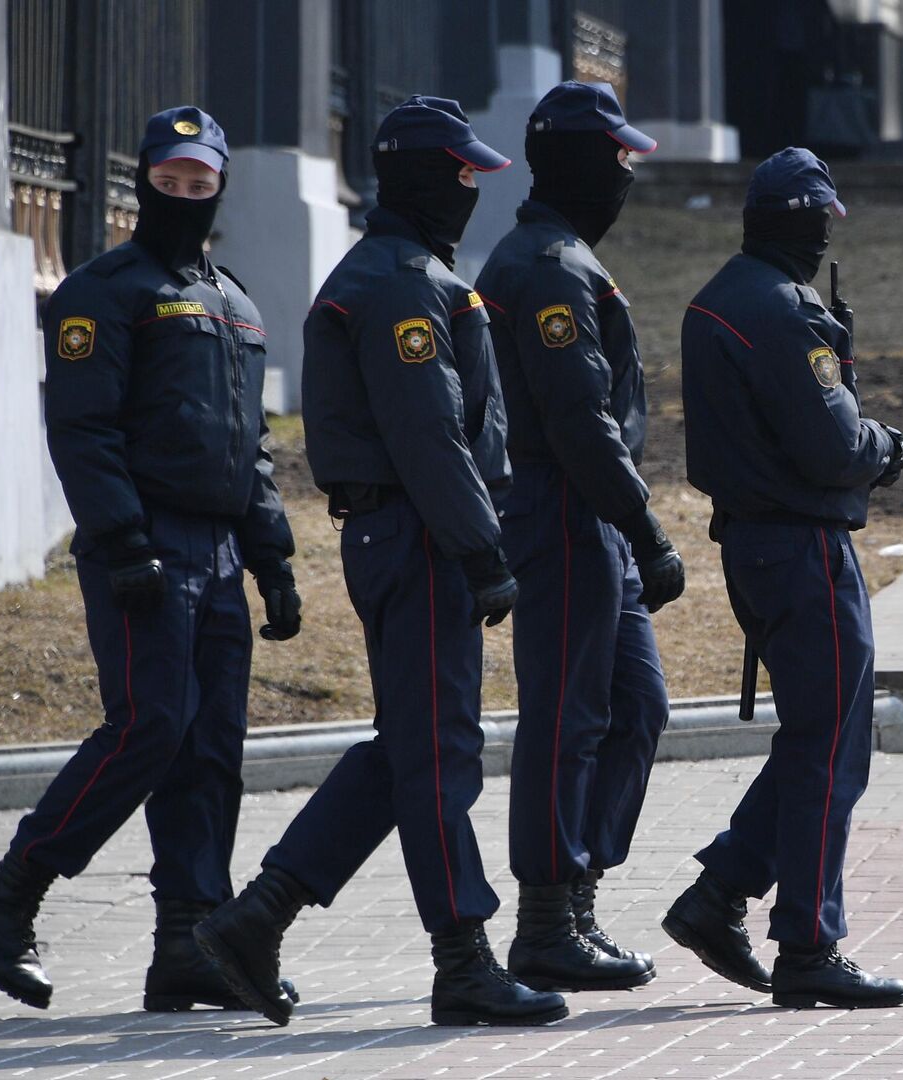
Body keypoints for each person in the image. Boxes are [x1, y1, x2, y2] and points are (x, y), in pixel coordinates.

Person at [191, 95, 564, 1028]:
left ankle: (258, 916)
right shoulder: (402, 283)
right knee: (438, 755)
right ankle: (463, 960)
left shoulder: (413, 272)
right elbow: (431, 437)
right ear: (428, 178)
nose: (474, 189)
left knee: (409, 748)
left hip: (409, 531)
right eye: (464, 173)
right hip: (422, 535)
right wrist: (483, 552)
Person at [0, 106, 303, 1014]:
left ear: (219, 186)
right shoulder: (104, 291)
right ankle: (6, 896)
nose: (182, 194)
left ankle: (190, 942)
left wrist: (274, 558)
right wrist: (124, 540)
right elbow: (84, 430)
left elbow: (250, 447)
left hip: (220, 550)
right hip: (146, 546)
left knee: (212, 746)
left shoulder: (237, 302)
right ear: (141, 181)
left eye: (200, 181)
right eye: (169, 179)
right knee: (150, 725)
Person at [667, 147, 903, 1009]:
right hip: (805, 548)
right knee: (831, 751)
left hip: (755, 544)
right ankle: (809, 942)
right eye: (820, 221)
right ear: (807, 221)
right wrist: (887, 444)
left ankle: (719, 894)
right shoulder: (784, 311)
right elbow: (836, 444)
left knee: (817, 736)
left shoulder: (717, 300)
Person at [473, 80, 682, 993]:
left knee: (635, 707)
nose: (628, 173)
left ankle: (578, 896)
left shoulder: (565, 259)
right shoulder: (549, 268)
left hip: (590, 513)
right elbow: (577, 420)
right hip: (563, 512)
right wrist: (644, 524)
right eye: (620, 157)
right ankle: (547, 920)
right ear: (586, 162)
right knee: (567, 719)